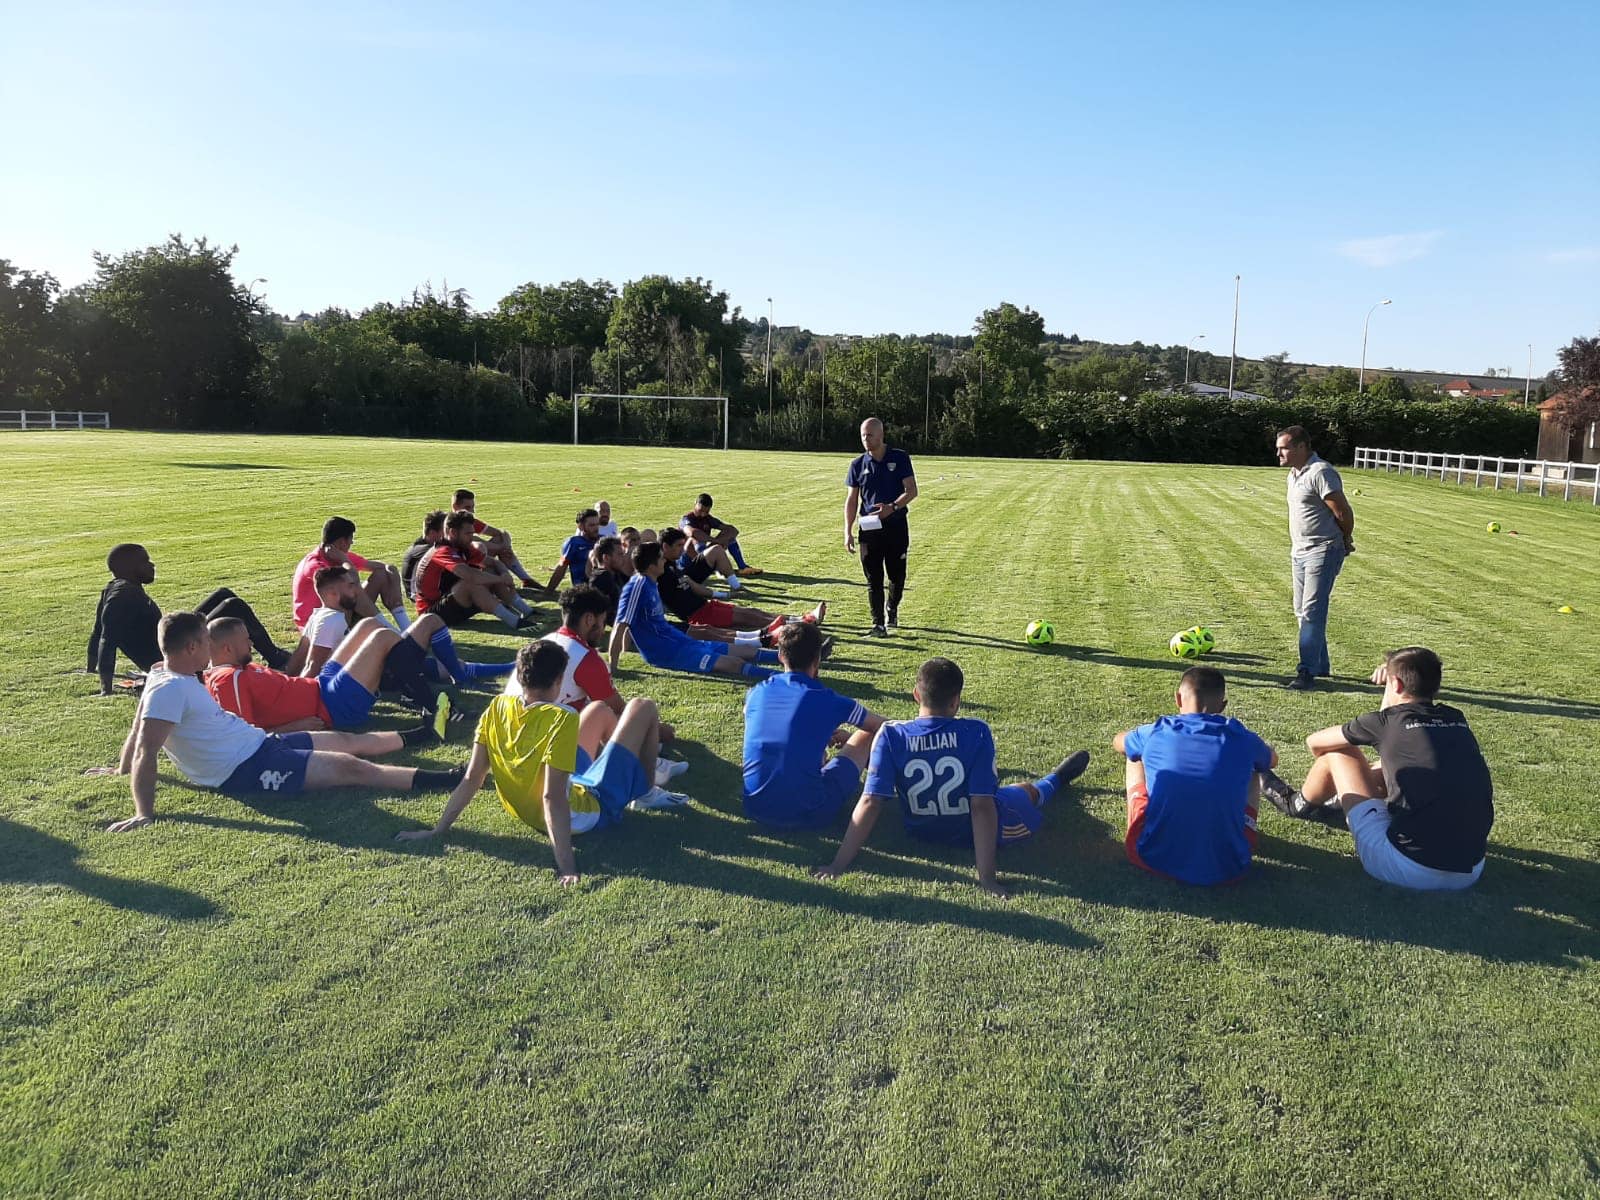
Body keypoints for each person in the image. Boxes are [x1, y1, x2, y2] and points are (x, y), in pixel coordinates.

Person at [89, 612, 464, 833]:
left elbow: (137, 729)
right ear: (190, 649)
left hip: (258, 744)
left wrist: (119, 769)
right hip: (246, 768)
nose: (210, 648)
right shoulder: (168, 689)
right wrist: (143, 813)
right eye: (205, 642)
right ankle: (450, 778)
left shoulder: (163, 675)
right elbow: (146, 746)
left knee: (348, 742)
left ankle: (422, 734)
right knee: (351, 767)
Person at [397, 640, 688, 883]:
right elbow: (553, 797)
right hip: (584, 814)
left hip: (531, 809)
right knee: (643, 706)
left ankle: (625, 772)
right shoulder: (562, 718)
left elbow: (473, 777)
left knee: (598, 709)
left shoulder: (497, 706)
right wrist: (567, 867)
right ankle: (645, 790)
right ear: (559, 680)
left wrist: (439, 829)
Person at [816, 657, 1090, 897]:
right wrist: (986, 877)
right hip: (970, 831)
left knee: (1006, 792)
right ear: (956, 700)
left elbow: (870, 802)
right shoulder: (976, 732)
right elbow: (982, 806)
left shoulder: (890, 734)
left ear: (915, 695)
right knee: (1024, 790)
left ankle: (1050, 781)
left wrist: (837, 864)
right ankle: (1053, 782)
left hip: (920, 830)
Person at [1260, 646, 1493, 891]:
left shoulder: (1384, 722)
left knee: (1339, 754)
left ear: (1397, 686)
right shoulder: (1456, 717)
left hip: (1409, 868)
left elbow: (1315, 743)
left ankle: (1297, 803)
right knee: (1391, 766)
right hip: (1472, 868)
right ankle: (1337, 803)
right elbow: (1395, 738)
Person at [1112, 667, 1277, 886]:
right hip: (1230, 867)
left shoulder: (1157, 730)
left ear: (1178, 698)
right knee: (1253, 770)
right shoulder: (1242, 738)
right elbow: (1271, 761)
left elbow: (1119, 742)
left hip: (1153, 858)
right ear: (1222, 706)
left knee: (1134, 756)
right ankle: (1236, 828)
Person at [205, 615, 452, 739]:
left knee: (369, 625)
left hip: (319, 687)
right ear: (226, 649)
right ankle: (431, 705)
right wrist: (293, 729)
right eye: (245, 640)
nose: (251, 643)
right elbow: (244, 737)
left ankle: (406, 682)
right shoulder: (228, 680)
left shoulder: (235, 667)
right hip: (331, 707)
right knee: (383, 639)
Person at [88, 543, 292, 693]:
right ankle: (275, 658)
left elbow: (97, 632)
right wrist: (106, 689)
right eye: (145, 562)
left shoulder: (115, 587)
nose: (152, 565)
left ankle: (274, 655)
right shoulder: (121, 596)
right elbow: (106, 639)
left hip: (172, 638)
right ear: (128, 568)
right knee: (233, 606)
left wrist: (90, 668)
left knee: (223, 594)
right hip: (170, 653)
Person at [740, 622, 883, 829]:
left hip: (755, 807)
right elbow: (885, 726)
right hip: (809, 814)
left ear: (780, 655)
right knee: (866, 734)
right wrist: (846, 737)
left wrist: (817, 733)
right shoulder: (829, 700)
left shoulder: (757, 692)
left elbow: (757, 719)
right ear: (817, 659)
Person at [289, 565, 511, 688]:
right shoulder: (333, 620)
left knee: (448, 665)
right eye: (350, 586)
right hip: (380, 674)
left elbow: (299, 658)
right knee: (430, 621)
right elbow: (313, 665)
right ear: (332, 594)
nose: (357, 590)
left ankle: (508, 668)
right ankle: (464, 679)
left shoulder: (319, 615)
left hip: (379, 669)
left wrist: (285, 682)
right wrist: (299, 700)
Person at [608, 542, 778, 681]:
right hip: (667, 652)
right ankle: (784, 678)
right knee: (735, 664)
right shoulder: (637, 587)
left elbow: (633, 623)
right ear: (652, 565)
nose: (664, 561)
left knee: (745, 651)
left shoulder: (651, 583)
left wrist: (626, 647)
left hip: (679, 640)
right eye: (660, 559)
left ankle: (792, 658)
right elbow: (621, 625)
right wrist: (613, 667)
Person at [1275, 425, 1355, 690]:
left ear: (1301, 447)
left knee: (1311, 611)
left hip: (1323, 549)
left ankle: (1306, 672)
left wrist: (1344, 540)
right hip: (1299, 551)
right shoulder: (1293, 474)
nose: (1279, 453)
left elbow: (1342, 512)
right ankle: (1320, 666)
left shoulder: (1321, 472)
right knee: (1301, 611)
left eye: (1284, 448)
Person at [657, 528, 827, 645]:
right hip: (699, 616)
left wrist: (723, 595)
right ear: (665, 547)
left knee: (752, 613)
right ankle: (804, 623)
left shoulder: (672, 565)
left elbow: (694, 587)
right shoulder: (658, 571)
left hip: (706, 606)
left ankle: (800, 619)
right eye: (679, 546)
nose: (682, 550)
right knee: (749, 618)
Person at [844, 416, 917, 637]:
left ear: (881, 435)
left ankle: (891, 607)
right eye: (863, 436)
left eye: (870, 435)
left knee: (897, 576)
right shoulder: (857, 465)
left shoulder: (899, 458)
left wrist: (892, 507)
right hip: (869, 529)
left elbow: (912, 490)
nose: (866, 439)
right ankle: (878, 624)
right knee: (873, 579)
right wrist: (847, 530)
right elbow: (852, 499)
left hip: (895, 526)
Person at [415, 511, 537, 631]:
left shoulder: (462, 547)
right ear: (452, 532)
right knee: (471, 582)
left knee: (490, 570)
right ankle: (515, 622)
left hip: (455, 601)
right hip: (431, 614)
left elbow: (494, 562)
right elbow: (470, 576)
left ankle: (527, 611)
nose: (471, 538)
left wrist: (504, 573)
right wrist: (501, 579)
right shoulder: (442, 551)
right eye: (468, 534)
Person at [291, 516, 409, 632]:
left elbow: (381, 568)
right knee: (353, 589)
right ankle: (392, 632)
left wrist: (392, 574)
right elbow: (352, 582)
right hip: (315, 623)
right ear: (342, 542)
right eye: (350, 540)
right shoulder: (315, 565)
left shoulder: (336, 555)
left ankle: (404, 625)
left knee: (382, 574)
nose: (352, 543)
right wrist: (345, 560)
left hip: (337, 613)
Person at [452, 488, 539, 588]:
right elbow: (473, 541)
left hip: (475, 559)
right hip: (460, 567)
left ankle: (525, 579)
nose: (472, 511)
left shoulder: (471, 521)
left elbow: (502, 533)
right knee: (481, 547)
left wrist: (505, 546)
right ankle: (495, 585)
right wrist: (501, 548)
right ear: (455, 507)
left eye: (473, 507)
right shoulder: (450, 524)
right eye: (467, 507)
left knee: (500, 539)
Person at [681, 492, 758, 580]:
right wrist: (717, 541)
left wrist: (724, 540)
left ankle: (742, 567)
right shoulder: (687, 519)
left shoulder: (708, 519)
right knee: (697, 542)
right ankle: (714, 567)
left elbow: (732, 530)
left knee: (730, 539)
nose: (703, 514)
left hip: (701, 556)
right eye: (701, 511)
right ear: (695, 504)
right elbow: (693, 533)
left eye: (706, 512)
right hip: (686, 560)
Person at [544, 508, 601, 593]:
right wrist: (549, 590)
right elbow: (561, 567)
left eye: (597, 524)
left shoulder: (603, 541)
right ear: (580, 526)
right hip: (583, 591)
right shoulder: (574, 543)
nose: (596, 528)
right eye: (592, 525)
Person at [401, 510, 447, 602]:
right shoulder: (423, 550)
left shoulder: (426, 545)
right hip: (419, 596)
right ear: (433, 533)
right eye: (446, 531)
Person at [586, 535, 630, 624]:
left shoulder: (616, 573)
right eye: (620, 554)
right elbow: (601, 612)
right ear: (606, 558)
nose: (624, 558)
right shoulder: (601, 578)